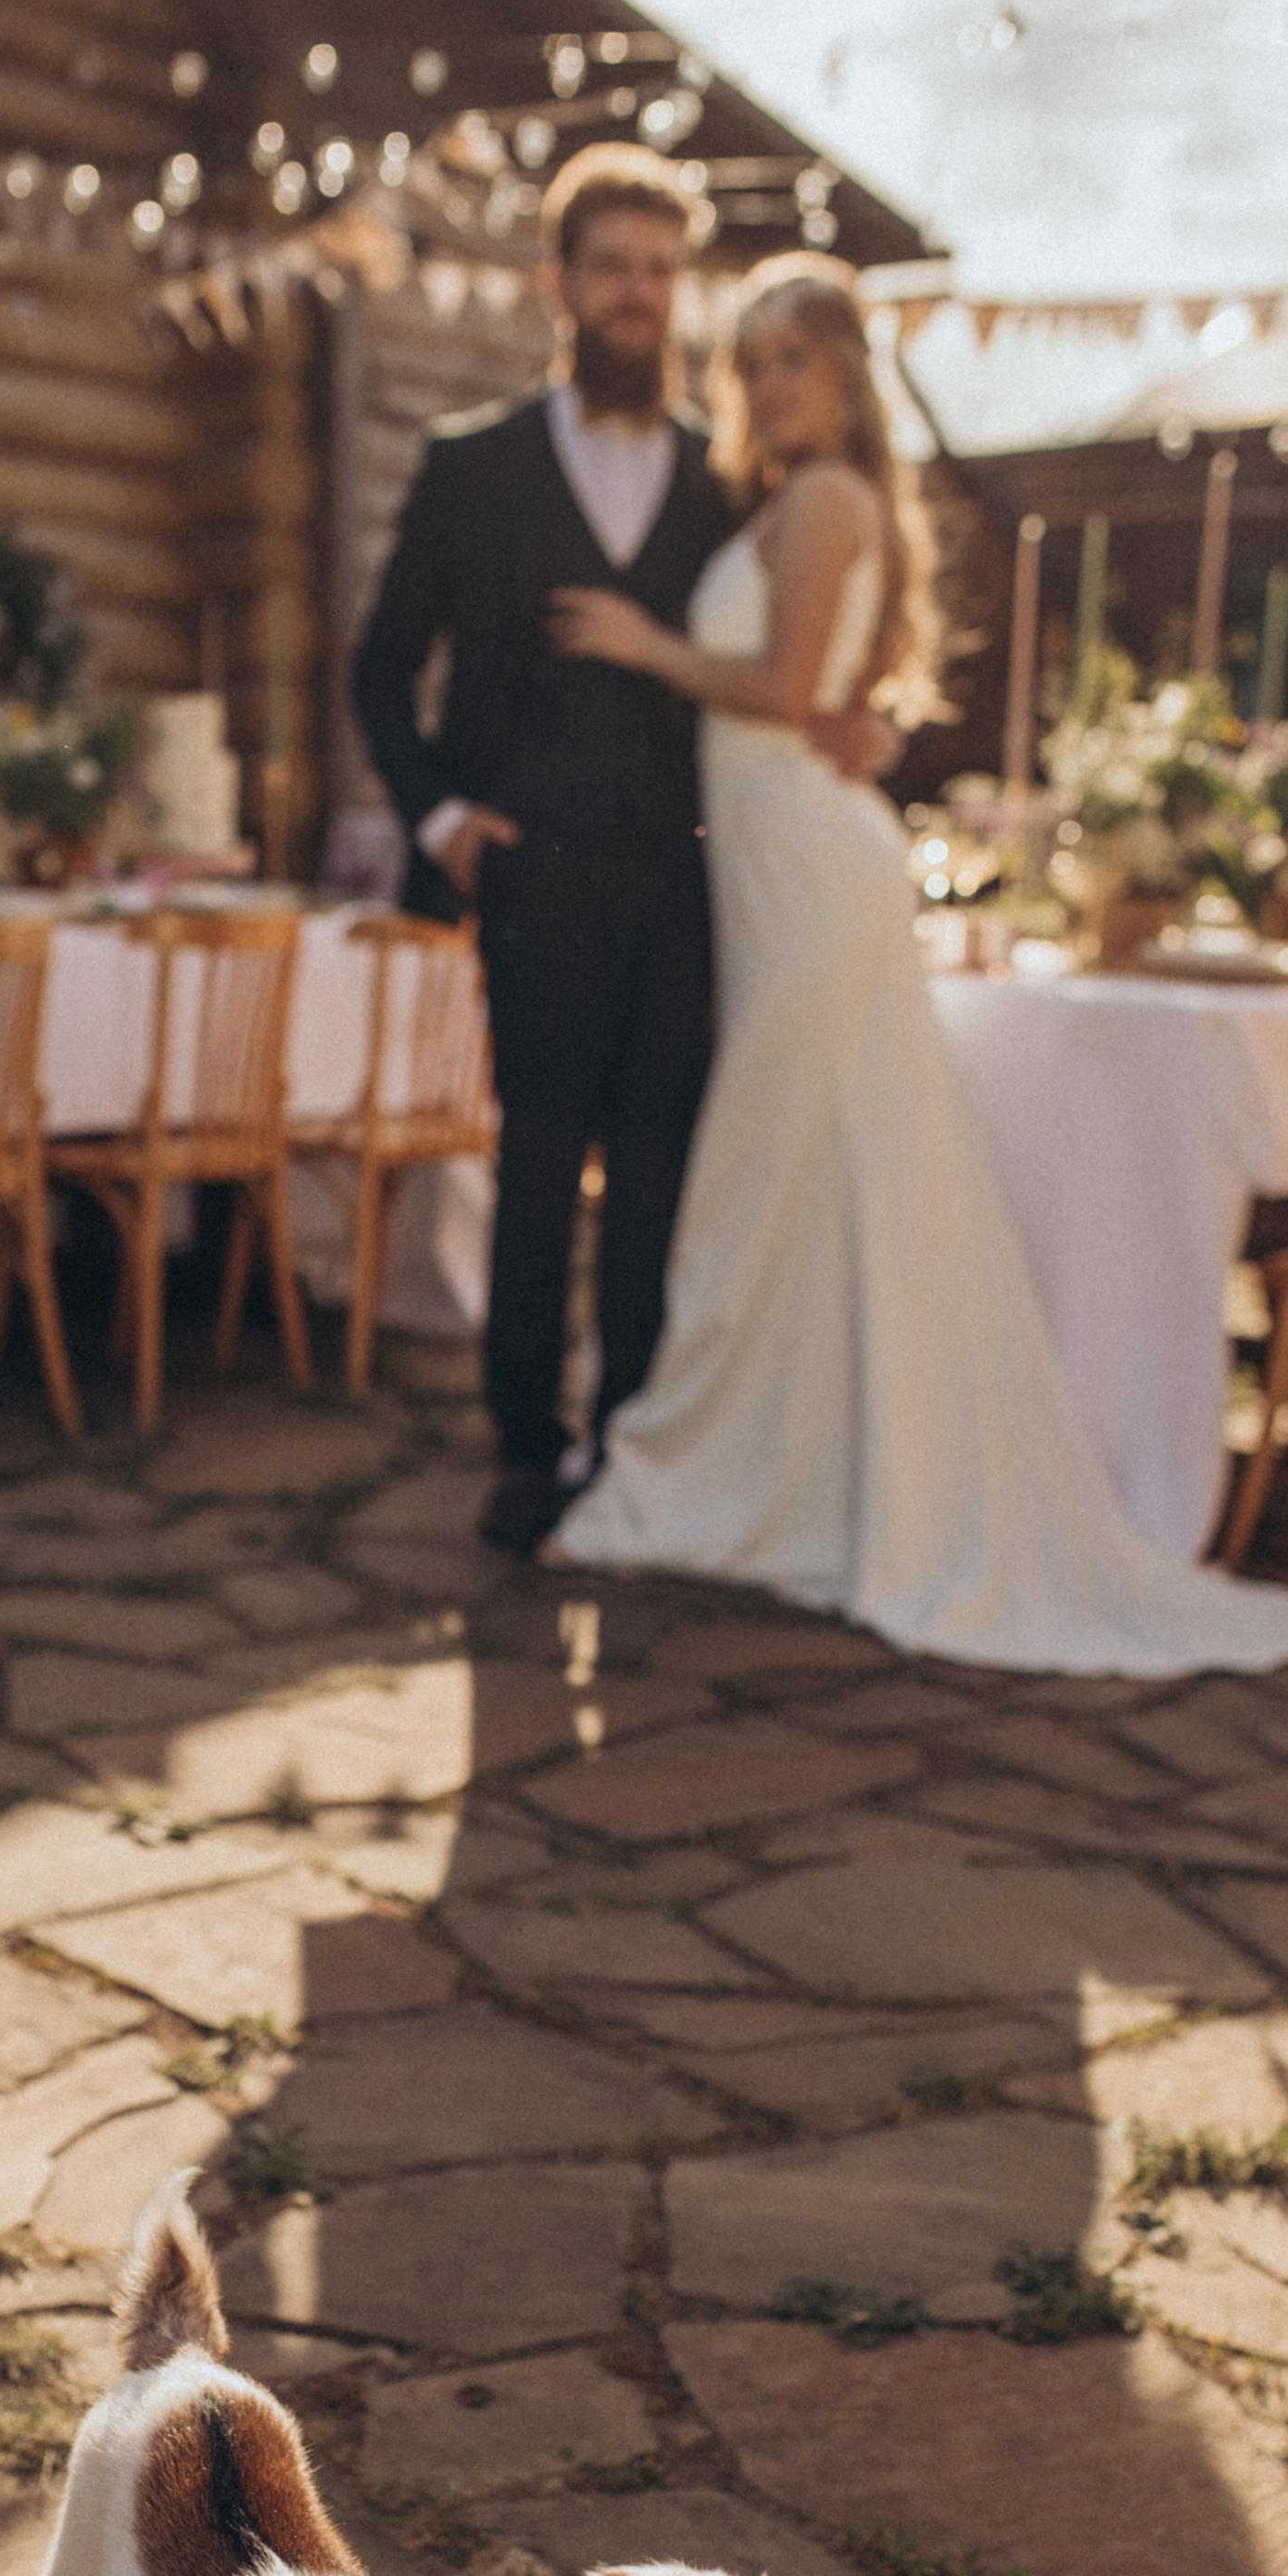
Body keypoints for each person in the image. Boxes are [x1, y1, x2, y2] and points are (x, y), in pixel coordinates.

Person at [542, 258, 1288, 1676]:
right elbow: (838, 701)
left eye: (790, 361)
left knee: (770, 1165)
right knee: (814, 1175)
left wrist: (647, 646)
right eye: (749, 366)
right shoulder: (801, 503)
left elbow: (783, 695)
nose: (765, 389)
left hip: (805, 865)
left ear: (844, 375)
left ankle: (760, 1485)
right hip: (783, 858)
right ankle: (805, 1477)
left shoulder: (829, 500)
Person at [350, 151, 890, 1557]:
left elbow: (789, 644)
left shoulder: (725, 488)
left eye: (661, 270)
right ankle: (526, 1447)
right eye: (613, 267)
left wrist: (853, 718)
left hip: (691, 888)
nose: (639, 295)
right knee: (537, 1170)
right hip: (533, 885)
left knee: (660, 1177)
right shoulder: (474, 468)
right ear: (561, 286)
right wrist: (444, 820)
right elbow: (380, 667)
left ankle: (637, 1441)